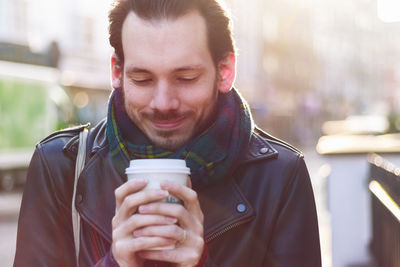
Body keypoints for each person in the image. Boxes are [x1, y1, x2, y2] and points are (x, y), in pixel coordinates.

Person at [14, 0, 321, 266]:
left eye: (186, 78)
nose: (163, 103)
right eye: (143, 79)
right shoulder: (62, 167)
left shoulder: (281, 176)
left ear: (225, 71)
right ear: (117, 73)